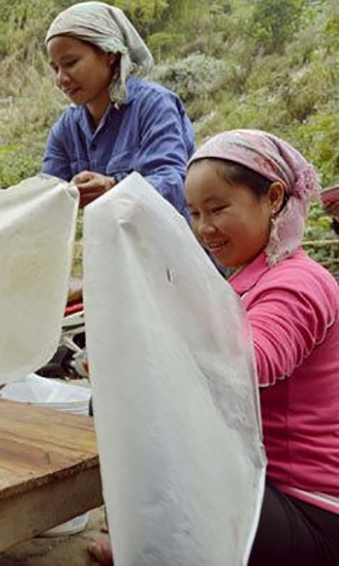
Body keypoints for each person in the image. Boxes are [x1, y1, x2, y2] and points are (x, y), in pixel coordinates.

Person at [89, 130, 339, 565]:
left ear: (274, 197)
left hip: (311, 512)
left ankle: (154, 549)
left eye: (219, 208)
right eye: (193, 213)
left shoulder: (297, 282)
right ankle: (149, 545)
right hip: (266, 491)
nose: (205, 228)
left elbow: (249, 365)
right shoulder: (248, 279)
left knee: (155, 429)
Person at [42, 1, 194, 216]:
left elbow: (174, 183)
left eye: (71, 63)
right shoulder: (65, 130)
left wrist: (115, 186)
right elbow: (46, 195)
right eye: (55, 68)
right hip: (111, 246)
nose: (61, 79)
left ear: (109, 54)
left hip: (169, 244)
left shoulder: (153, 105)